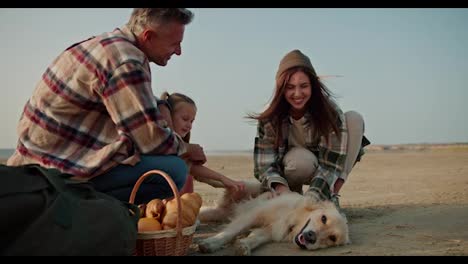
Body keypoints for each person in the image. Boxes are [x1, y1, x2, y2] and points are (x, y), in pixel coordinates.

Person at [7, 8, 207, 205]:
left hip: (36, 159)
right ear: (148, 36)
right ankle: (75, 208)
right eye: (175, 44)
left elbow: (136, 106)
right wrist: (186, 148)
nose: (178, 52)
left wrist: (161, 105)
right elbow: (151, 141)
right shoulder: (127, 62)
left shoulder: (106, 45)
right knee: (173, 171)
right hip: (57, 170)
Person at [248, 49, 370, 215]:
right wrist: (283, 190)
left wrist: (312, 199)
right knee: (299, 161)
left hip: (323, 166)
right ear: (281, 89)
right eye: (290, 87)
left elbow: (331, 165)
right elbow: (264, 165)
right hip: (293, 166)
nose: (297, 94)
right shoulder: (270, 117)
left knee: (354, 118)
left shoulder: (329, 111)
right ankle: (292, 194)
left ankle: (331, 193)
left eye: (304, 86)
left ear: (313, 86)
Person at [158, 92, 246, 195]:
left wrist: (225, 180)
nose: (189, 125)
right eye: (185, 119)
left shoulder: (182, 147)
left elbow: (194, 169)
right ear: (168, 116)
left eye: (192, 121)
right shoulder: (159, 145)